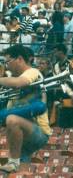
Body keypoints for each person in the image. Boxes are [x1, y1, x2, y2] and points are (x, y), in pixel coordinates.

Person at [0, 45, 51, 173]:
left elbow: (19, 83)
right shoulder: (12, 82)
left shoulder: (32, 72)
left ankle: (13, 162)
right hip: (24, 133)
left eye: (8, 62)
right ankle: (17, 166)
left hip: (38, 131)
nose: (7, 66)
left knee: (12, 119)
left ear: (19, 59)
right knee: (21, 174)